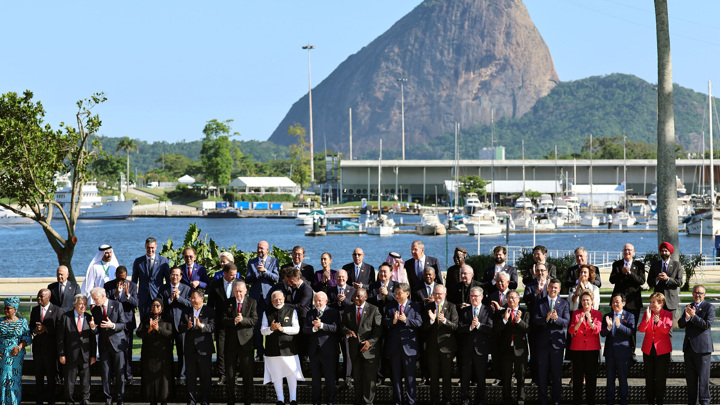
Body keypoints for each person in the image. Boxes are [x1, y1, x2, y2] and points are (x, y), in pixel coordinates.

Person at [340, 288, 383, 405]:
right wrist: (347, 331)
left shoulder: (374, 309)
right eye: (355, 296)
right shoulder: (348, 309)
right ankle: (357, 400)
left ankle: (368, 402)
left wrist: (370, 342)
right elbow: (342, 325)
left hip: (370, 349)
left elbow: (378, 330)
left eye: (359, 296)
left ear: (365, 297)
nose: (356, 298)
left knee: (369, 379)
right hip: (354, 349)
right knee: (357, 378)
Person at [261, 290, 304, 405]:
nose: (278, 301)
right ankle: (280, 399)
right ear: (271, 301)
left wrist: (282, 329)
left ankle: (293, 399)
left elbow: (296, 329)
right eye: (275, 299)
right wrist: (271, 328)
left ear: (284, 299)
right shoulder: (267, 312)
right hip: (272, 349)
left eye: (280, 299)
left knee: (291, 373)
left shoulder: (292, 311)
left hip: (289, 348)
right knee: (276, 375)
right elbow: (262, 331)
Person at [382, 283, 422, 405]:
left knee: (410, 378)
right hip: (394, 348)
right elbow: (384, 322)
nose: (397, 295)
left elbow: (419, 323)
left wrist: (406, 320)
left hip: (409, 347)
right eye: (395, 293)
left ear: (407, 294)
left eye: (399, 293)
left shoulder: (415, 306)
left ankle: (411, 401)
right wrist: (393, 321)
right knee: (396, 378)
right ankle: (397, 401)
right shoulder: (389, 306)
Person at [531, 278, 569, 405]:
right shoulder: (539, 302)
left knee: (557, 374)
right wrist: (545, 318)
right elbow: (534, 320)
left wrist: (557, 319)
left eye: (556, 287)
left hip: (557, 344)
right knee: (542, 374)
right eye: (551, 287)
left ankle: (556, 400)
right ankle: (543, 400)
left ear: (559, 289)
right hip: (542, 343)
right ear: (547, 287)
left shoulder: (564, 303)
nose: (553, 289)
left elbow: (566, 322)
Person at [90, 287, 128, 405]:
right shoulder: (95, 310)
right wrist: (93, 328)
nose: (94, 302)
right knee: (105, 374)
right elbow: (98, 331)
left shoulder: (117, 305)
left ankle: (120, 398)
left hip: (117, 345)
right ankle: (108, 399)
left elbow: (123, 325)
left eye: (96, 299)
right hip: (104, 346)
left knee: (119, 374)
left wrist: (112, 325)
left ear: (102, 296)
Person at [678, 284, 715, 405]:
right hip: (689, 349)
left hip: (703, 350)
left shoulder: (709, 307)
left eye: (699, 293)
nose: (697, 295)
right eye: (694, 292)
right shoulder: (689, 306)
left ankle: (705, 402)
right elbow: (680, 324)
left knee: (703, 381)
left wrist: (693, 316)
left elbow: (706, 325)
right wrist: (687, 317)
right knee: (691, 380)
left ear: (704, 295)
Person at [222, 280, 257, 405]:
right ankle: (231, 398)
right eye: (236, 291)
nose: (239, 294)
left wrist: (243, 320)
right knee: (230, 373)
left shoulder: (252, 302)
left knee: (247, 373)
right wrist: (233, 321)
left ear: (245, 291)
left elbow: (254, 320)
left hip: (246, 342)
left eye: (241, 291)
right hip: (231, 343)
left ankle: (248, 399)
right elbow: (223, 319)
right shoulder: (228, 303)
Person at [57, 295, 97, 405]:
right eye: (81, 304)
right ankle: (69, 401)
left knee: (85, 380)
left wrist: (93, 355)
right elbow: (60, 338)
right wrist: (61, 354)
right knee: (70, 380)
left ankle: (85, 400)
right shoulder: (66, 317)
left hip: (85, 355)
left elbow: (93, 339)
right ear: (74, 304)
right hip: (70, 355)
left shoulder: (89, 317)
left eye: (85, 304)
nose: (83, 306)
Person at [179, 289, 216, 405]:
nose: (193, 300)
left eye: (195, 298)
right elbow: (180, 327)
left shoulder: (209, 311)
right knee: (190, 377)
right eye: (191, 298)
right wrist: (188, 326)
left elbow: (213, 327)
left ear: (202, 299)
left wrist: (201, 326)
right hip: (190, 349)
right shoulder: (186, 311)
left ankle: (205, 400)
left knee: (205, 377)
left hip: (204, 349)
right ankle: (191, 400)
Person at [422, 284, 458, 405]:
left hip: (446, 347)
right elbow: (423, 328)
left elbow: (455, 326)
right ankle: (434, 400)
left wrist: (444, 321)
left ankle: (447, 400)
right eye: (435, 294)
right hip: (432, 348)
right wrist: (432, 320)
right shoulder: (428, 307)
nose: (437, 296)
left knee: (447, 377)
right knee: (434, 377)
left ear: (445, 295)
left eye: (440, 294)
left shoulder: (451, 307)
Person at [609, 243, 645, 360]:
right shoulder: (617, 264)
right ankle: (617, 350)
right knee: (617, 326)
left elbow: (641, 280)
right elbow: (612, 280)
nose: (627, 252)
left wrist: (630, 273)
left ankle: (631, 353)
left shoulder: (639, 265)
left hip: (633, 303)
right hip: (618, 303)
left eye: (629, 250)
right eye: (625, 250)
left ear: (634, 252)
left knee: (631, 329)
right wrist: (622, 272)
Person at [303, 292, 339, 405]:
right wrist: (314, 328)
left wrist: (322, 325)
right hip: (314, 352)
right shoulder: (310, 313)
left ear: (326, 301)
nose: (317, 303)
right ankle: (316, 401)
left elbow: (335, 328)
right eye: (316, 300)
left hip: (328, 351)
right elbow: (304, 329)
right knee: (315, 380)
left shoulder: (333, 312)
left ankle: (330, 401)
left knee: (330, 379)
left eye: (320, 300)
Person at [136, 297, 174, 405]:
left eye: (157, 305)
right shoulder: (146, 318)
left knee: (163, 378)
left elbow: (170, 334)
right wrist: (149, 329)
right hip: (149, 352)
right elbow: (139, 333)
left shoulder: (167, 318)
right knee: (149, 377)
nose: (155, 307)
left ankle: (164, 399)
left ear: (162, 307)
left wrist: (158, 329)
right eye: (153, 305)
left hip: (163, 353)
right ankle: (152, 399)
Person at [599, 292, 635, 405]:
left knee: (623, 379)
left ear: (623, 303)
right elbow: (603, 334)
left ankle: (623, 401)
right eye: (613, 302)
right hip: (610, 353)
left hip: (623, 353)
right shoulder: (607, 316)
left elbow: (630, 332)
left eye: (617, 302)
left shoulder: (630, 316)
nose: (615, 304)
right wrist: (609, 327)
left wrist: (619, 326)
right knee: (610, 379)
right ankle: (610, 401)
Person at [245, 240, 280, 358]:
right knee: (257, 327)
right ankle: (259, 352)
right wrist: (257, 273)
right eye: (258, 248)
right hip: (255, 300)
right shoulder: (251, 262)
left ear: (267, 250)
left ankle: (271, 352)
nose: (260, 250)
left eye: (262, 248)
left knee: (271, 325)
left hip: (268, 299)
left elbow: (276, 278)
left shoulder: (274, 261)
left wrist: (265, 271)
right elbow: (247, 279)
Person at [104, 266, 138, 383]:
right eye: (119, 279)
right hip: (114, 323)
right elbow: (106, 304)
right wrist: (116, 295)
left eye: (123, 279)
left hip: (127, 322)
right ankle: (114, 376)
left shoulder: (132, 285)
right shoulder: (108, 286)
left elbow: (136, 304)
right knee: (114, 351)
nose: (121, 282)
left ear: (126, 276)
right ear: (116, 275)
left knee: (127, 351)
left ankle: (128, 376)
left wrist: (128, 296)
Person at [157, 266, 192, 382]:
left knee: (182, 352)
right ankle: (168, 376)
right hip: (167, 326)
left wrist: (179, 298)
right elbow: (159, 306)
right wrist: (170, 300)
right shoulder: (163, 289)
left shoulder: (186, 289)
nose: (175, 277)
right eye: (173, 274)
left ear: (181, 277)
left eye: (177, 275)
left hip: (182, 325)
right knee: (167, 352)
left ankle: (181, 376)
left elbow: (190, 305)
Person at [637, 292, 673, 405]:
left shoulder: (668, 314)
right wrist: (647, 319)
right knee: (649, 377)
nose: (651, 304)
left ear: (661, 303)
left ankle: (660, 401)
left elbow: (666, 330)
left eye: (654, 302)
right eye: (651, 302)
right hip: (648, 349)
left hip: (662, 350)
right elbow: (641, 329)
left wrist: (659, 322)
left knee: (660, 378)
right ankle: (650, 401)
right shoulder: (647, 314)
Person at [494, 291, 528, 405]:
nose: (511, 300)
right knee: (506, 375)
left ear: (518, 299)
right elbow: (496, 330)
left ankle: (521, 398)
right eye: (508, 298)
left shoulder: (525, 312)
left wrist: (519, 321)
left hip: (520, 349)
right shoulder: (502, 313)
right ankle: (506, 398)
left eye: (513, 298)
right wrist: (504, 319)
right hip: (506, 349)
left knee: (521, 375)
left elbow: (528, 329)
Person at [207, 262, 239, 385]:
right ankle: (222, 375)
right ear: (224, 273)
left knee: (234, 350)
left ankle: (234, 376)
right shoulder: (215, 285)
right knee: (221, 350)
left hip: (235, 322)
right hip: (220, 322)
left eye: (235, 274)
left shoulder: (239, 283)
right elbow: (210, 305)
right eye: (231, 275)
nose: (234, 277)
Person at [568, 289, 602, 405]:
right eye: (583, 300)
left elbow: (597, 330)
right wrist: (580, 322)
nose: (585, 302)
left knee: (591, 378)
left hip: (591, 350)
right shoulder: (576, 313)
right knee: (577, 379)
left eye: (587, 300)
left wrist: (590, 321)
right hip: (577, 350)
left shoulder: (597, 314)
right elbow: (571, 330)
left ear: (592, 301)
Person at [30, 289, 62, 405]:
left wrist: (46, 329)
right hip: (38, 349)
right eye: (38, 297)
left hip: (51, 349)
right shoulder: (34, 310)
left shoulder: (57, 310)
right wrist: (35, 330)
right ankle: (39, 401)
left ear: (48, 298)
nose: (38, 299)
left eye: (41, 297)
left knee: (50, 376)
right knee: (38, 377)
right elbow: (30, 327)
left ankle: (50, 400)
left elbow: (60, 330)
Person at [326, 269, 356, 385]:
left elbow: (355, 306)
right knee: (333, 353)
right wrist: (337, 303)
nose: (341, 279)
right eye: (338, 277)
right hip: (333, 325)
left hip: (346, 326)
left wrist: (344, 301)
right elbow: (327, 306)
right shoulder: (331, 290)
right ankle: (334, 376)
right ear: (335, 279)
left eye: (343, 277)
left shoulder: (352, 290)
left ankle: (348, 376)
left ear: (347, 278)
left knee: (347, 352)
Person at [0, 297, 32, 405]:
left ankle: (14, 402)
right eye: (5, 308)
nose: (6, 310)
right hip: (2, 356)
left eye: (8, 308)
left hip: (16, 356)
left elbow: (27, 338)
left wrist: (19, 347)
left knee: (14, 379)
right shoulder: (0, 321)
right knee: (3, 380)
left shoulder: (22, 322)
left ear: (15, 309)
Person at [131, 237, 171, 319]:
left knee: (158, 321)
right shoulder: (138, 261)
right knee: (144, 321)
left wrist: (166, 296)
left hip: (158, 295)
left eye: (152, 248)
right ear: (145, 247)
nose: (150, 250)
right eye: (148, 247)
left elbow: (168, 280)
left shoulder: (163, 261)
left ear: (156, 247)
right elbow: (134, 281)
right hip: (143, 297)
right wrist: (134, 296)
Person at [647, 242, 683, 320]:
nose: (664, 253)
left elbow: (679, 282)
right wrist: (657, 279)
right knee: (657, 326)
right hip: (657, 302)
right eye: (662, 251)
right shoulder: (655, 265)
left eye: (666, 251)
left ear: (670, 253)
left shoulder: (677, 265)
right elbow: (649, 282)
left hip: (671, 301)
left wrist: (668, 279)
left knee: (668, 327)